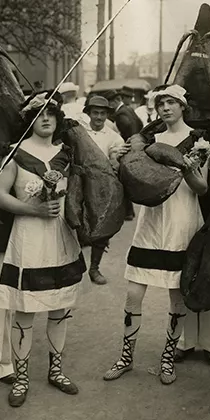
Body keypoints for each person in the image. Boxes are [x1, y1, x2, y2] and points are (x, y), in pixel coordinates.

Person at [104, 85, 210, 387]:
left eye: (171, 102)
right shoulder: (148, 140)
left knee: (175, 293)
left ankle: (168, 357)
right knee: (134, 292)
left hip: (182, 220)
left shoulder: (200, 141)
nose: (165, 108)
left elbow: (202, 189)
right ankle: (126, 357)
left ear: (183, 106)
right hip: (151, 220)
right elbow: (131, 177)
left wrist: (189, 168)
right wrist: (118, 158)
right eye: (161, 103)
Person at [0, 92, 84, 407]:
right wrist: (33, 210)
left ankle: (55, 370)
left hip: (59, 238)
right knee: (26, 308)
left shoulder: (67, 154)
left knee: (59, 307)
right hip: (28, 238)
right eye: (39, 113)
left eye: (51, 113)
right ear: (30, 119)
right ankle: (21, 379)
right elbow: (0, 196)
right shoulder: (16, 154)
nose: (45, 118)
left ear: (58, 119)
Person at [83, 95, 128, 285]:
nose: (99, 117)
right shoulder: (79, 131)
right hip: (79, 181)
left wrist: (115, 160)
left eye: (102, 113)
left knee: (102, 226)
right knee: (74, 223)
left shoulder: (113, 137)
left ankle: (94, 268)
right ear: (89, 113)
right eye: (95, 113)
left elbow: (116, 161)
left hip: (102, 186)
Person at [104, 89, 144, 220]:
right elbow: (140, 124)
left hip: (127, 149)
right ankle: (128, 211)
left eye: (110, 103)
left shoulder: (120, 115)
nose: (109, 107)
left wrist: (127, 143)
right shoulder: (128, 109)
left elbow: (128, 129)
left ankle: (127, 212)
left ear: (115, 101)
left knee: (122, 181)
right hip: (135, 145)